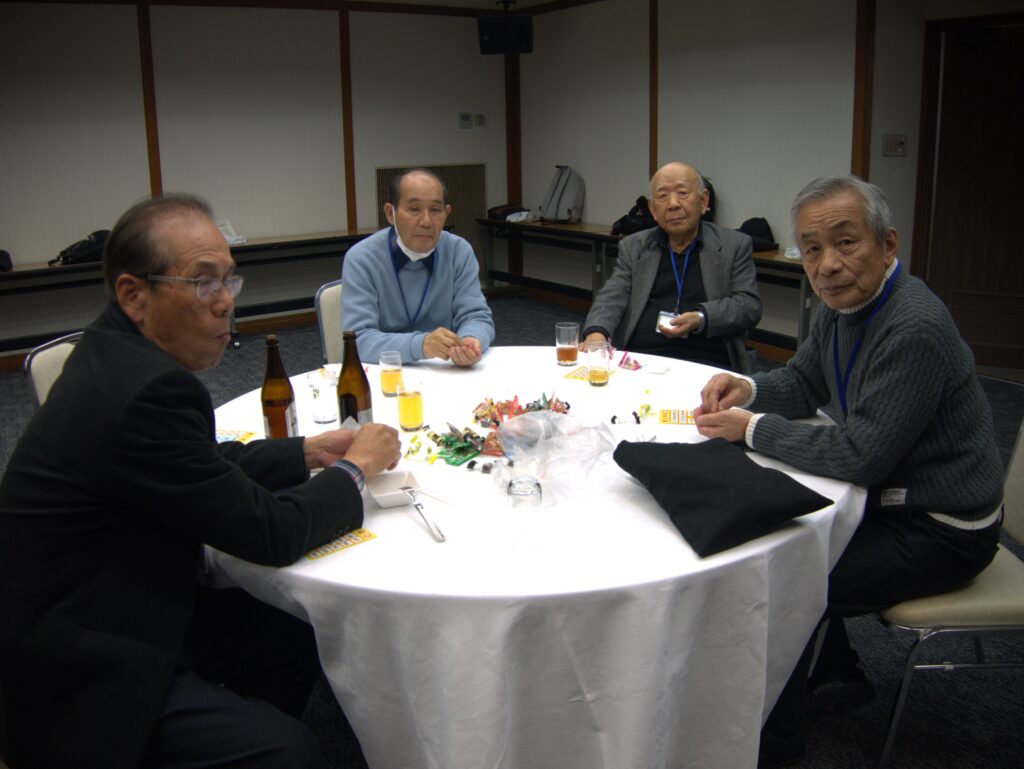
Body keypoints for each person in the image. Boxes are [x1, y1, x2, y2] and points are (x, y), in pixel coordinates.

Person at [0, 194, 402, 769]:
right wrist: (354, 469)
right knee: (292, 751)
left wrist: (307, 451)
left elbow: (196, 462)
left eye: (229, 281)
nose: (225, 303)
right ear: (133, 295)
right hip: (80, 659)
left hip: (107, 595)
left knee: (292, 625)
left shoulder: (112, 353)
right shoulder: (148, 390)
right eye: (202, 282)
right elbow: (273, 533)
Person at [695, 175, 1004, 767]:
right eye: (811, 248)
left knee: (784, 580)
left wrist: (751, 428)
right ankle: (835, 671)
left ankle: (776, 747)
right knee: (782, 535)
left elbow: (860, 455)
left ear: (887, 245)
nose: (827, 265)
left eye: (845, 242)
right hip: (894, 495)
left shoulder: (913, 327)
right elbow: (804, 381)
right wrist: (748, 389)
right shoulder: (845, 306)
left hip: (944, 525)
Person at [582, 162, 762, 373]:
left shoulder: (733, 246)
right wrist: (597, 332)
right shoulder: (635, 247)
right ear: (653, 209)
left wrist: (701, 318)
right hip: (642, 360)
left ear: (704, 201)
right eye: (662, 196)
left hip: (707, 362)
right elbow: (612, 295)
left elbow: (748, 306)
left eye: (683, 193)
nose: (673, 204)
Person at [342, 168, 495, 367]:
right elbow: (359, 340)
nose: (426, 221)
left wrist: (471, 339)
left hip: (444, 369)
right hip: (384, 370)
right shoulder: (362, 258)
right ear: (390, 213)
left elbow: (476, 317)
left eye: (436, 210)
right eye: (414, 209)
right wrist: (421, 345)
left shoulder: (458, 251)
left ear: (446, 213)